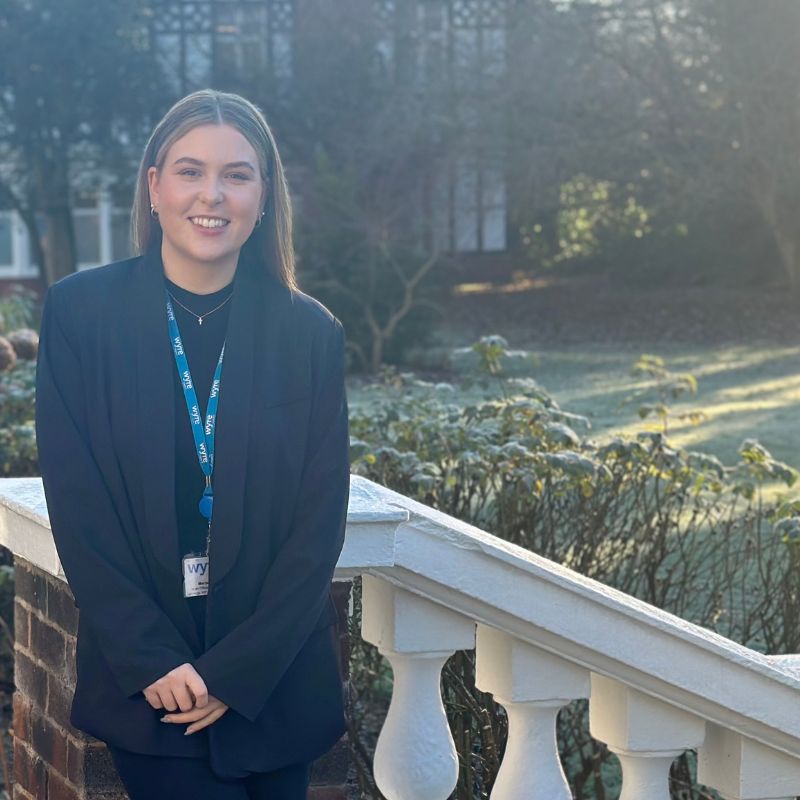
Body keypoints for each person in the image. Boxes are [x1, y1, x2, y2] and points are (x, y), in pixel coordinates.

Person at [34, 89, 351, 800]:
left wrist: (236, 674)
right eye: (189, 171)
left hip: (273, 692)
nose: (213, 195)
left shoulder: (309, 334)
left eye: (237, 174)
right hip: (156, 693)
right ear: (153, 186)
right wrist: (153, 662)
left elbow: (317, 522)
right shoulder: (83, 317)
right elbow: (80, 511)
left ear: (264, 196)